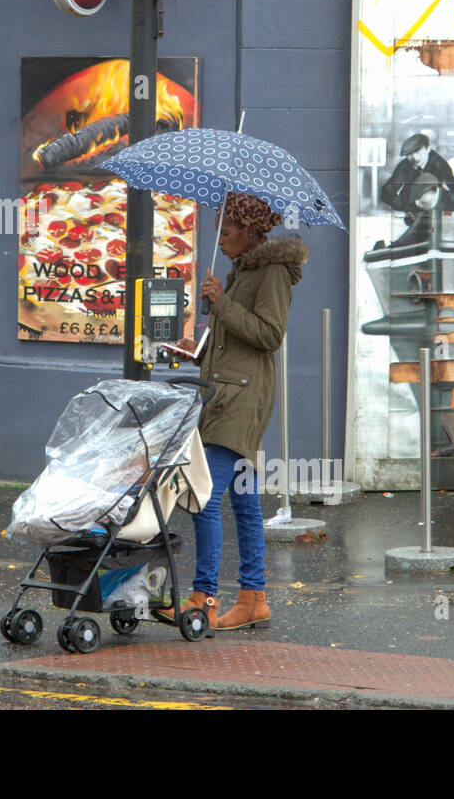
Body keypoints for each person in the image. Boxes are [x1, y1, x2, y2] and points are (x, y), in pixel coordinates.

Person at [158, 192, 307, 631]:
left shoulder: (273, 273)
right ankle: (253, 599)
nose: (220, 240)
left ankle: (203, 598)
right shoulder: (241, 269)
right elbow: (231, 343)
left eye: (227, 232)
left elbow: (269, 335)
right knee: (244, 502)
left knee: (203, 497)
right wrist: (196, 351)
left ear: (250, 231)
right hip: (224, 394)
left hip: (240, 401)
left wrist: (222, 302)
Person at [380, 133, 454, 218]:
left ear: (428, 149)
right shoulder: (404, 165)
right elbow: (386, 193)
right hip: (411, 209)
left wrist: (448, 208)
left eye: (418, 152)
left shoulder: (439, 164)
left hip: (436, 208)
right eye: (410, 154)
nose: (415, 158)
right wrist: (407, 207)